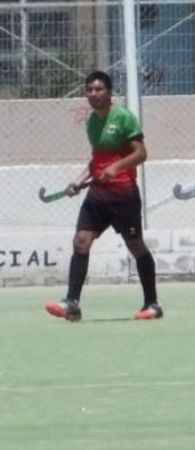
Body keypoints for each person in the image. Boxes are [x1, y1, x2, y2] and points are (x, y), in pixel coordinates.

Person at [45, 71, 162, 321]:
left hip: (124, 195)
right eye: (89, 90)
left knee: (136, 246)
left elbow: (141, 153)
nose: (93, 94)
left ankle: (152, 304)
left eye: (99, 89)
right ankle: (72, 304)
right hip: (98, 195)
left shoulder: (123, 118)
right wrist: (77, 182)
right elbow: (96, 160)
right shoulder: (92, 122)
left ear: (109, 93)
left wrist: (116, 168)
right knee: (80, 241)